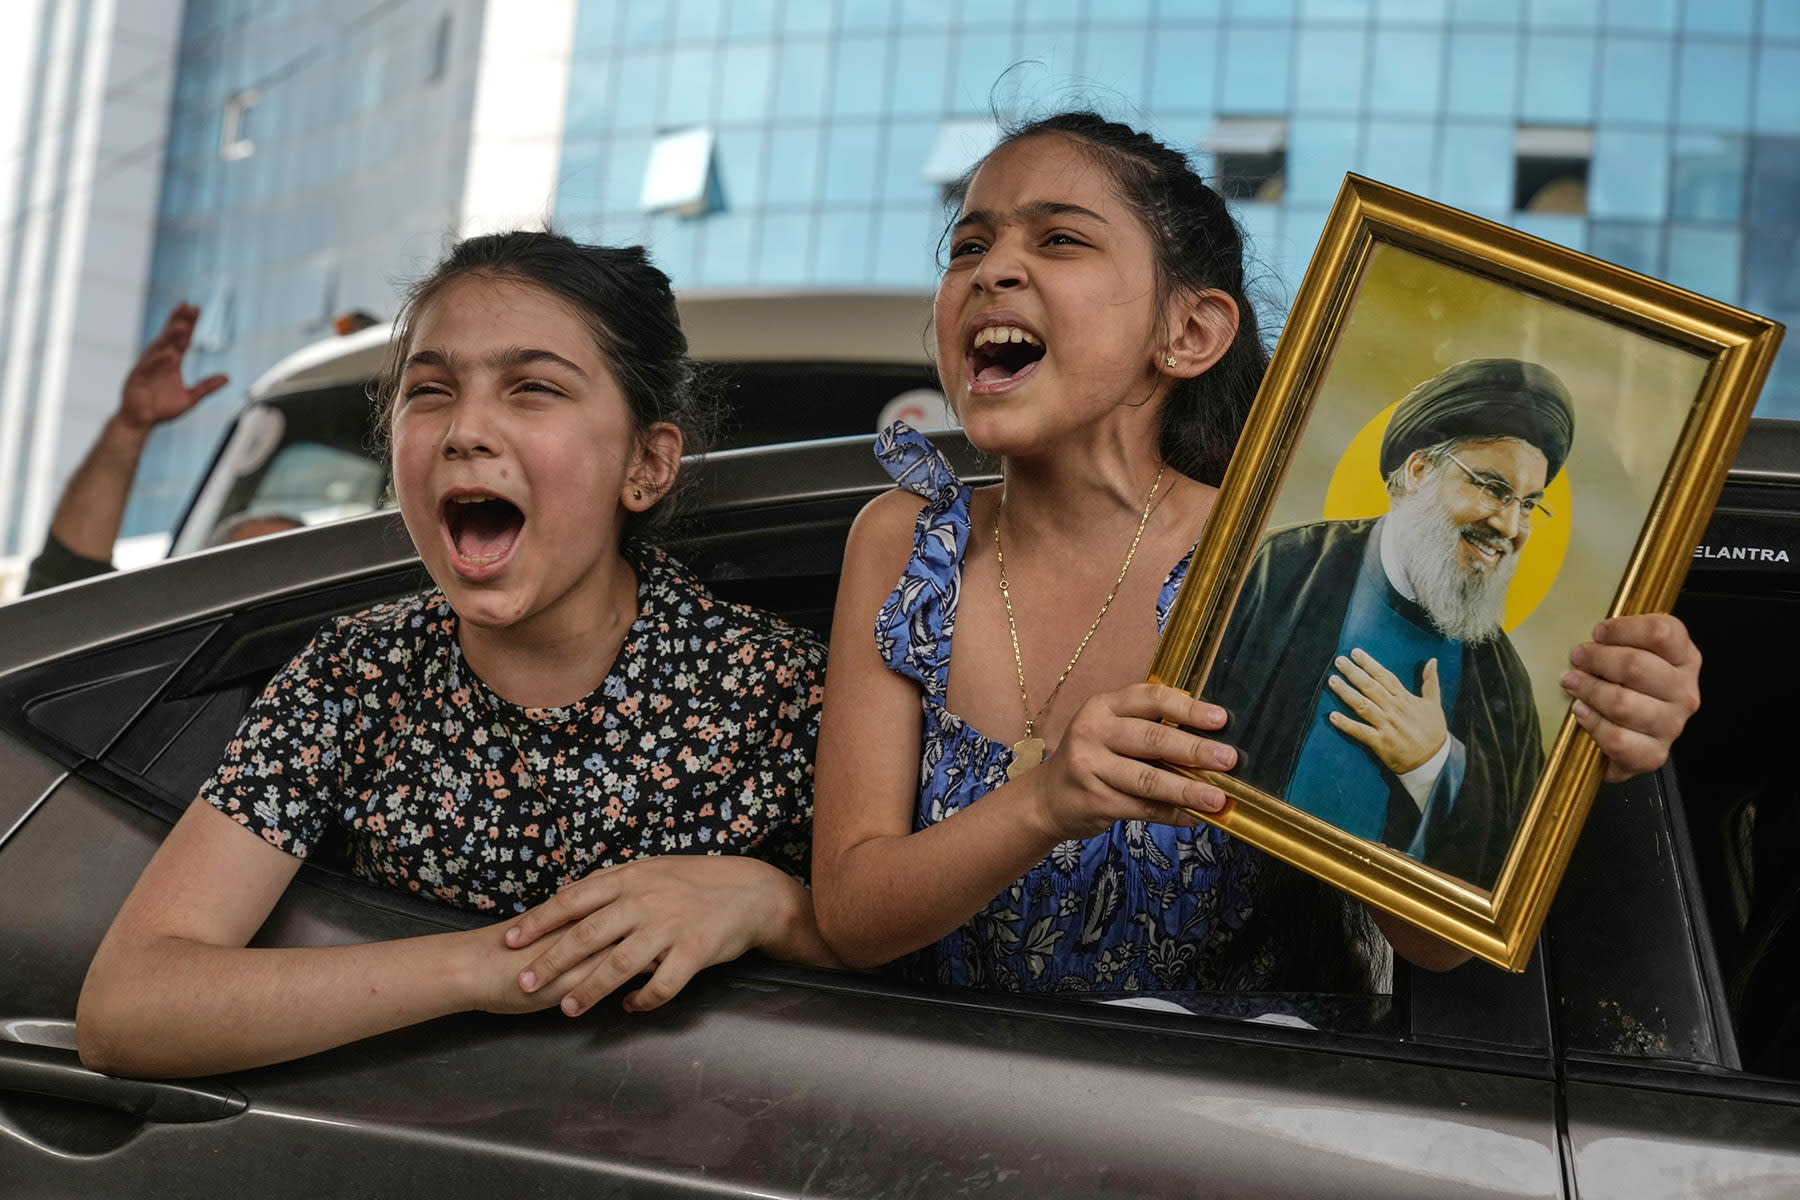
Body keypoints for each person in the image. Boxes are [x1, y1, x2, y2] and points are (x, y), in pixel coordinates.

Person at [809, 112, 1702, 995]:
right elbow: (853, 918)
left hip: (1236, 1120)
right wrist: (1040, 806)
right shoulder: (904, 545)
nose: (992, 270)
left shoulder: (1272, 568)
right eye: (966, 247)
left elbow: (1435, 945)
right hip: (936, 1102)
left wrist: (1588, 729)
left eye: (1060, 240)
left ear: (1189, 333)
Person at [78, 232, 835, 1079]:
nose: (466, 430)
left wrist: (769, 905)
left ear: (647, 463)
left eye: (534, 388)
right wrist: (490, 968)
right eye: (430, 391)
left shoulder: (782, 689)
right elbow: (127, 1008)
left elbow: (955, 985)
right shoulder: (354, 679)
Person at [1207, 357, 1574, 887]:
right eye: (1494, 488)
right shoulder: (1281, 568)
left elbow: (1498, 876)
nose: (1510, 526)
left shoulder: (1503, 683)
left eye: (1529, 505)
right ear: (1420, 470)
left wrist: (1434, 763)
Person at [20, 303, 300, 595]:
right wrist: (130, 427)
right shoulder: (182, 636)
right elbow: (68, 586)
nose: (262, 583)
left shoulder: (340, 634)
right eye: (242, 566)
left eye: (282, 566)